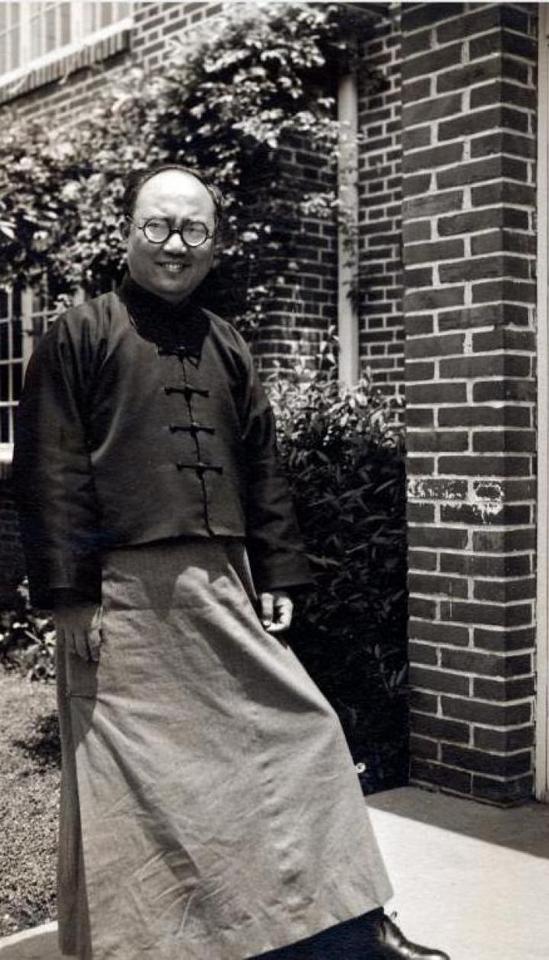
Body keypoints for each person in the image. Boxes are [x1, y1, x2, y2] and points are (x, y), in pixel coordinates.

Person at [13, 164, 450, 960]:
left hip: (225, 585)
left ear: (213, 245)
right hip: (122, 597)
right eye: (157, 225)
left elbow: (261, 467)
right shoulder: (79, 334)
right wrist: (70, 595)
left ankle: (346, 929)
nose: (174, 244)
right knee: (134, 781)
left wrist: (278, 570)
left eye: (194, 230)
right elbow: (50, 471)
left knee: (302, 735)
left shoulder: (228, 343)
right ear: (127, 232)